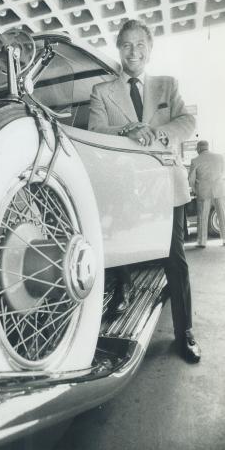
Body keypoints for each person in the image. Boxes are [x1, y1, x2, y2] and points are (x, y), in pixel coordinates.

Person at [88, 19, 201, 363]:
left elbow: (187, 122)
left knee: (175, 259)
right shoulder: (102, 91)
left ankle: (185, 332)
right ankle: (123, 289)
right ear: (118, 50)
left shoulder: (168, 85)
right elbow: (95, 130)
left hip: (166, 185)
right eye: (126, 45)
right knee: (119, 249)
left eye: (140, 45)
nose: (133, 51)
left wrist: (158, 133)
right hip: (125, 188)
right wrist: (128, 130)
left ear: (150, 50)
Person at [189, 140, 225, 247]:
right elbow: (223, 172)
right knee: (222, 215)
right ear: (207, 147)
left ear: (199, 148)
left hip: (203, 191)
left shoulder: (195, 160)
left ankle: (202, 242)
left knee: (202, 217)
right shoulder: (220, 157)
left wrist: (195, 190)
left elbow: (191, 179)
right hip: (219, 189)